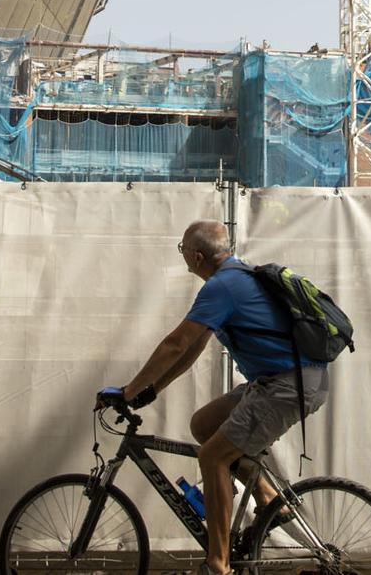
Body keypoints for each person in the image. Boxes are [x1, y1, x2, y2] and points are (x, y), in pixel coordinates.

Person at [102, 220, 328, 575]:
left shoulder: (223, 286)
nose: (184, 258)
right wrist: (152, 391)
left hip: (286, 385)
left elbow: (175, 343)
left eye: (183, 252)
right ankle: (270, 500)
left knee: (213, 457)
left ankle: (218, 564)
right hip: (279, 381)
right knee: (204, 424)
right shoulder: (233, 277)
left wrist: (128, 392)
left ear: (196, 256)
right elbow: (190, 350)